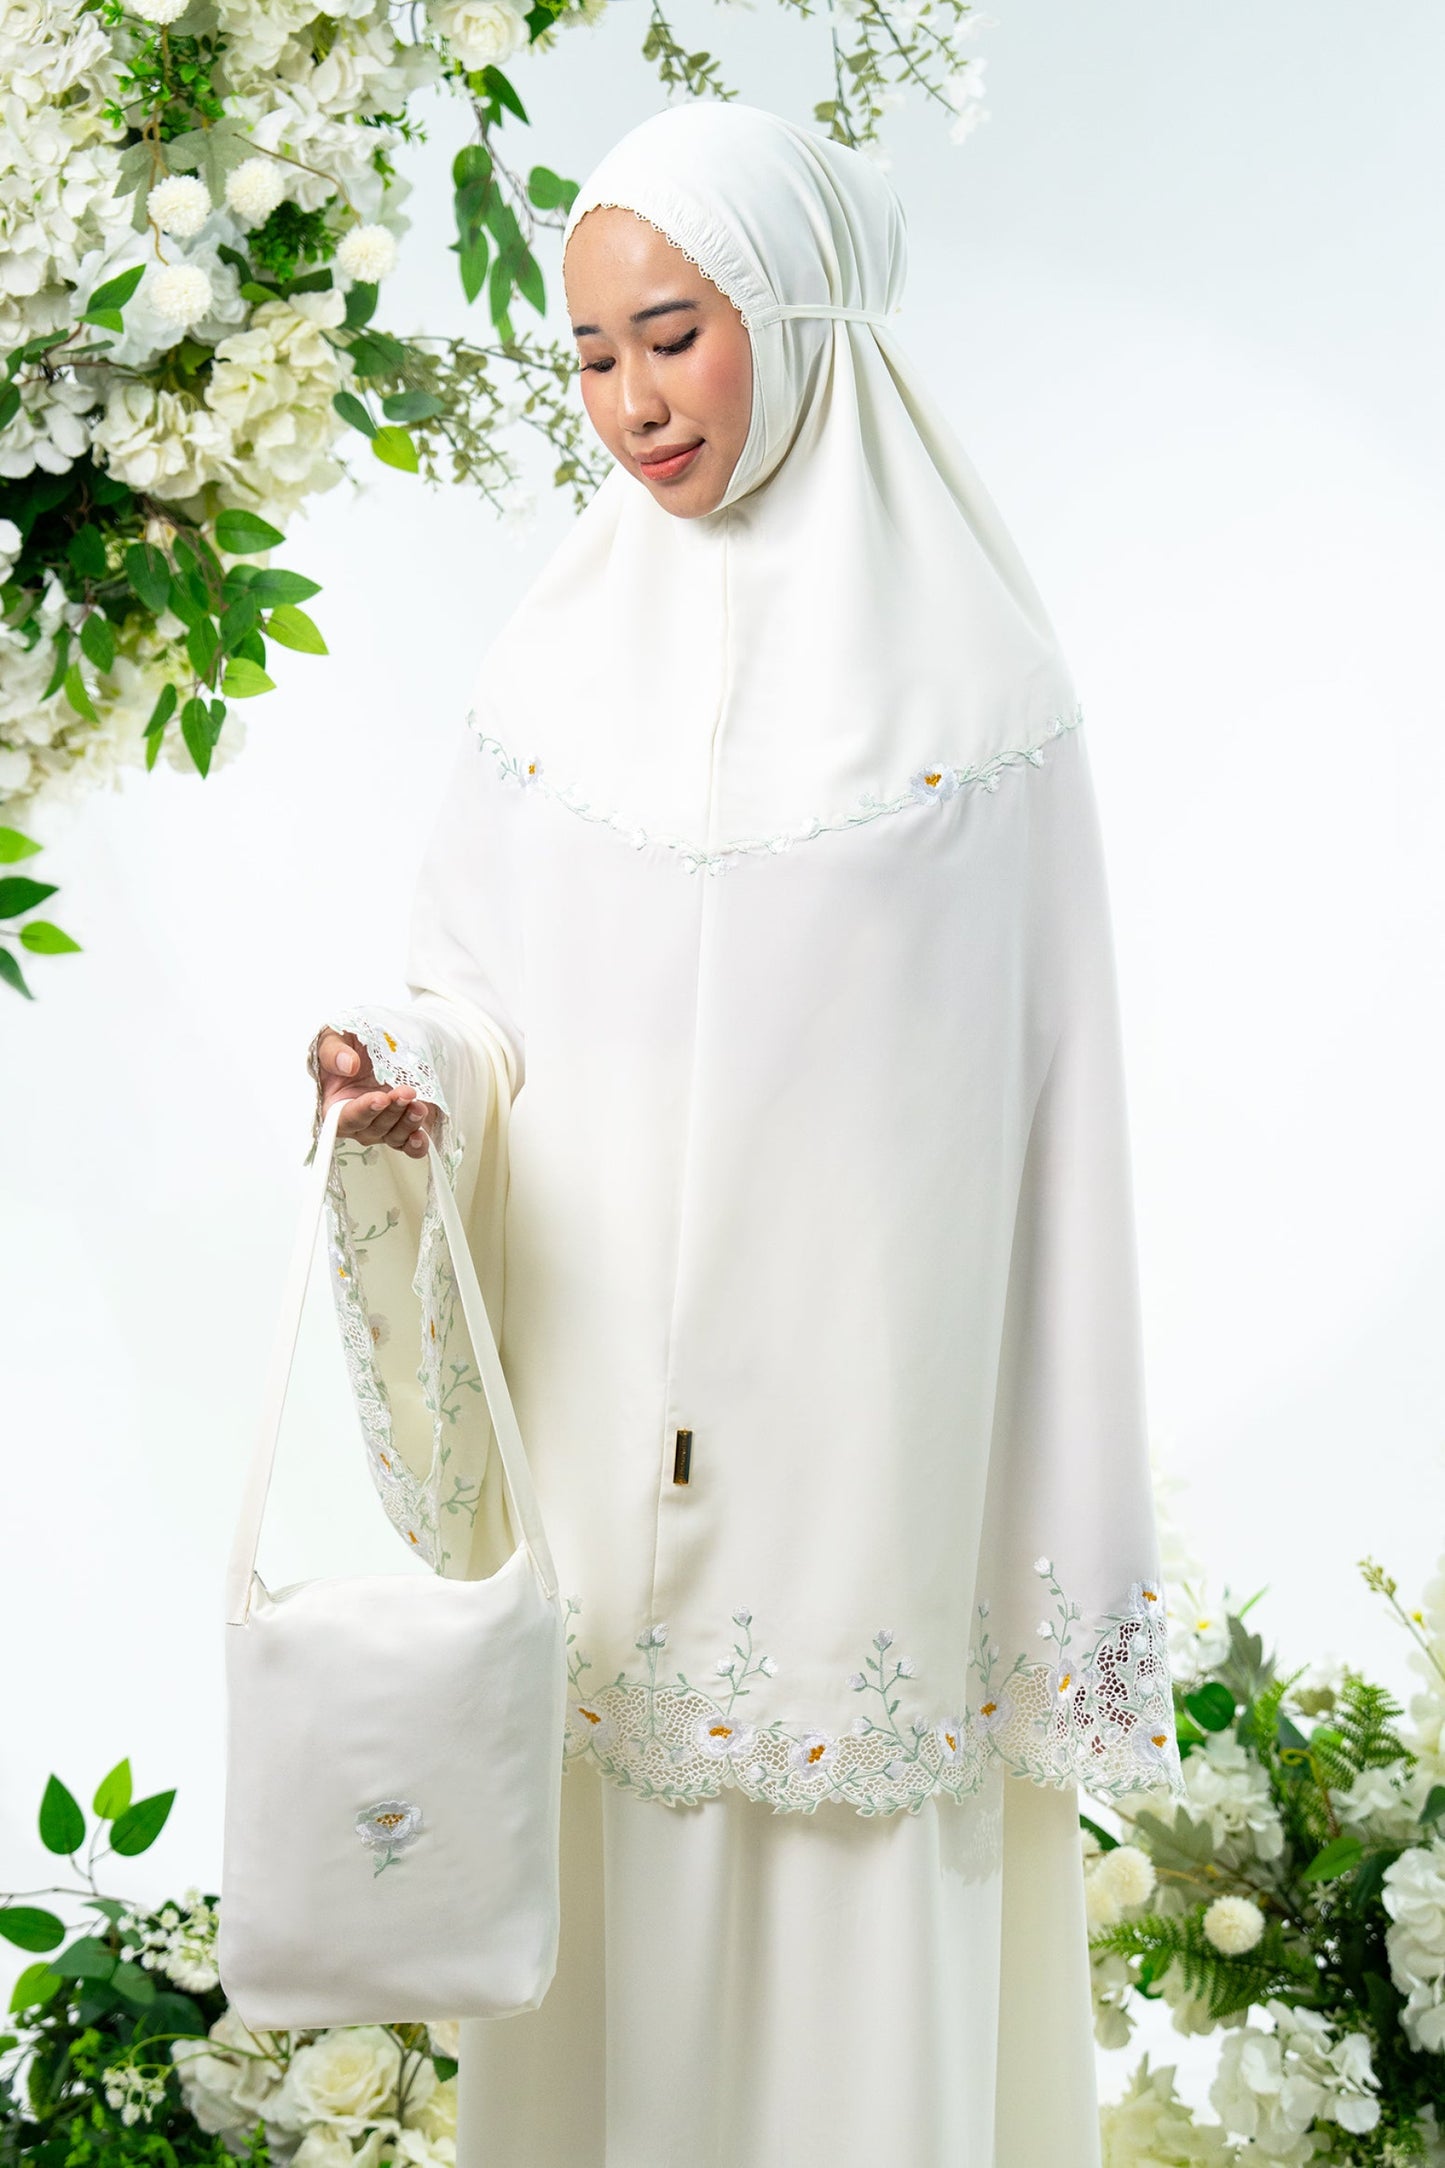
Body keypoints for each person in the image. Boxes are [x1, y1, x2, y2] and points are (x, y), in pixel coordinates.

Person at [308, 99, 1185, 2168]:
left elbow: (1053, 1133)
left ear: (792, 317)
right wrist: (399, 1078)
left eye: (672, 337)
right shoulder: (551, 667)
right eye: (590, 355)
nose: (630, 403)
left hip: (871, 1486)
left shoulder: (981, 700)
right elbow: (483, 1003)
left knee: (849, 1997)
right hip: (609, 1458)